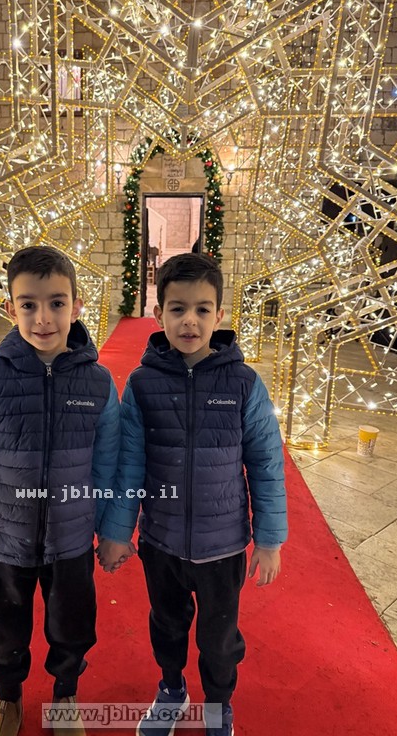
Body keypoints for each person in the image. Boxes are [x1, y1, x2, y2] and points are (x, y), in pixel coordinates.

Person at [0, 245, 126, 736]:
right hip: (4, 543)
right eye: (29, 304)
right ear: (10, 307)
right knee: (4, 634)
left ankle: (65, 697)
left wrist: (113, 531)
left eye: (57, 302)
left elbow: (111, 467)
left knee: (72, 630)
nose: (43, 318)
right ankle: (8, 700)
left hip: (72, 544)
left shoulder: (99, 384)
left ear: (77, 306)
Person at [98, 253, 288, 736]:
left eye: (203, 309)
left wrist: (269, 540)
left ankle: (218, 706)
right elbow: (129, 464)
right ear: (158, 314)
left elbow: (266, 464)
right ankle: (171, 688)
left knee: (219, 639)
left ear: (219, 315)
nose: (190, 321)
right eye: (177, 308)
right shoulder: (142, 384)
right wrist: (118, 533)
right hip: (161, 542)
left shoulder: (243, 383)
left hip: (222, 546)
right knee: (167, 626)